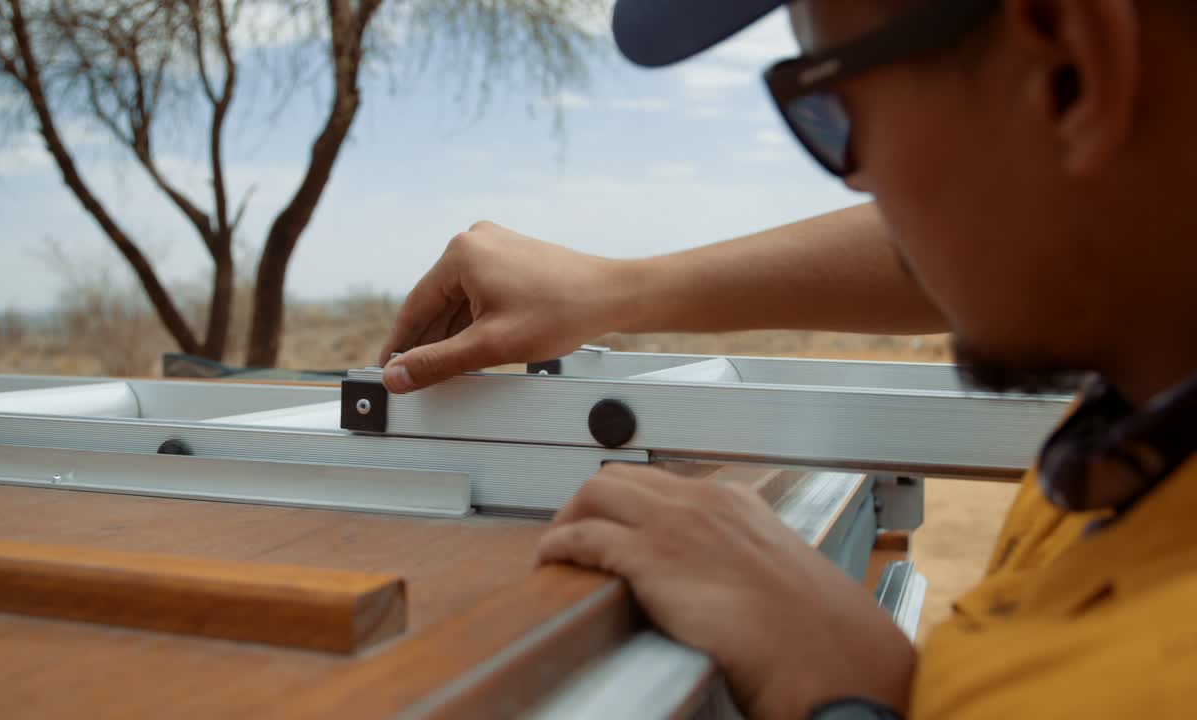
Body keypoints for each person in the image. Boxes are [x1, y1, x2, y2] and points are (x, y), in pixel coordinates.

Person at [377, 0, 1197, 717]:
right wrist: (616, 290)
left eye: (830, 107)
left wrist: (852, 701)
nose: (861, 185)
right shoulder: (1150, 365)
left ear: (1072, 67)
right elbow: (1027, 201)